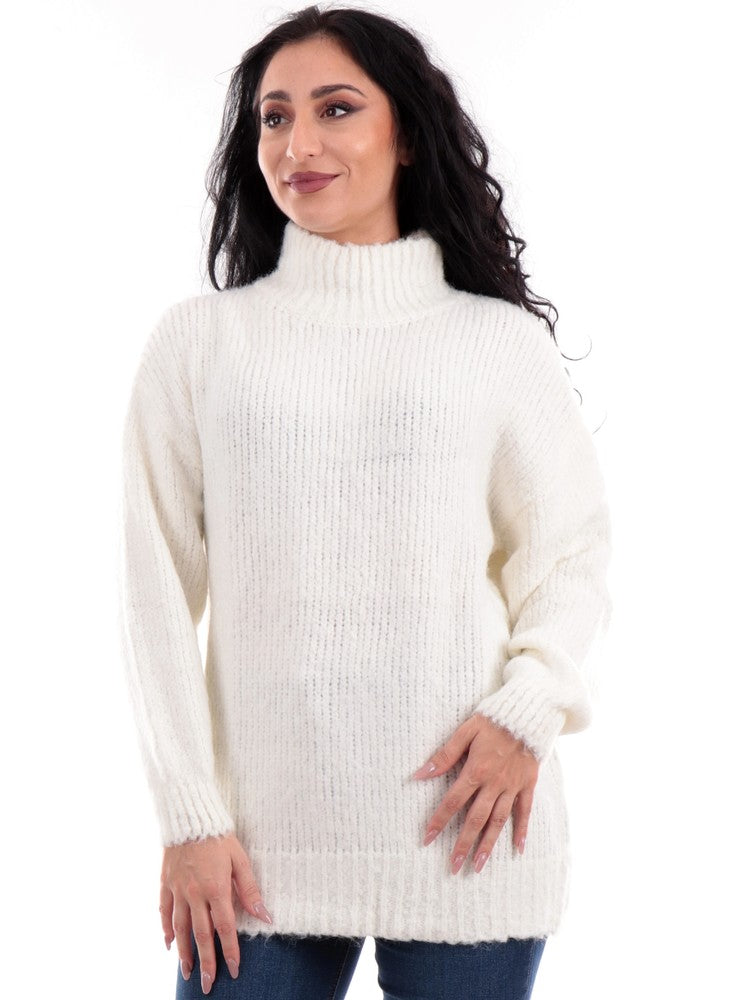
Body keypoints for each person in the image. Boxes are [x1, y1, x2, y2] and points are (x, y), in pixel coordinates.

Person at [117, 5, 613, 998]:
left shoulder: (495, 344)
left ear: (408, 134)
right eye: (274, 117)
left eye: (335, 109)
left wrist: (527, 711)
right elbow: (154, 595)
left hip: (470, 830)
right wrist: (188, 817)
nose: (297, 144)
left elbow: (568, 558)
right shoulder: (200, 346)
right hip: (251, 856)